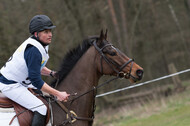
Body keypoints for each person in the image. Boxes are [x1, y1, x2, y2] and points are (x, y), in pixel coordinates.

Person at [0, 15, 70, 126]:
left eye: (50, 31)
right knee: (41, 108)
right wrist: (58, 94)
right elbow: (36, 81)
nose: (50, 34)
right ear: (36, 34)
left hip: (21, 81)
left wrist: (52, 73)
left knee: (45, 98)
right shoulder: (33, 50)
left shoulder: (42, 44)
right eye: (46, 32)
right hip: (10, 85)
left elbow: (38, 67)